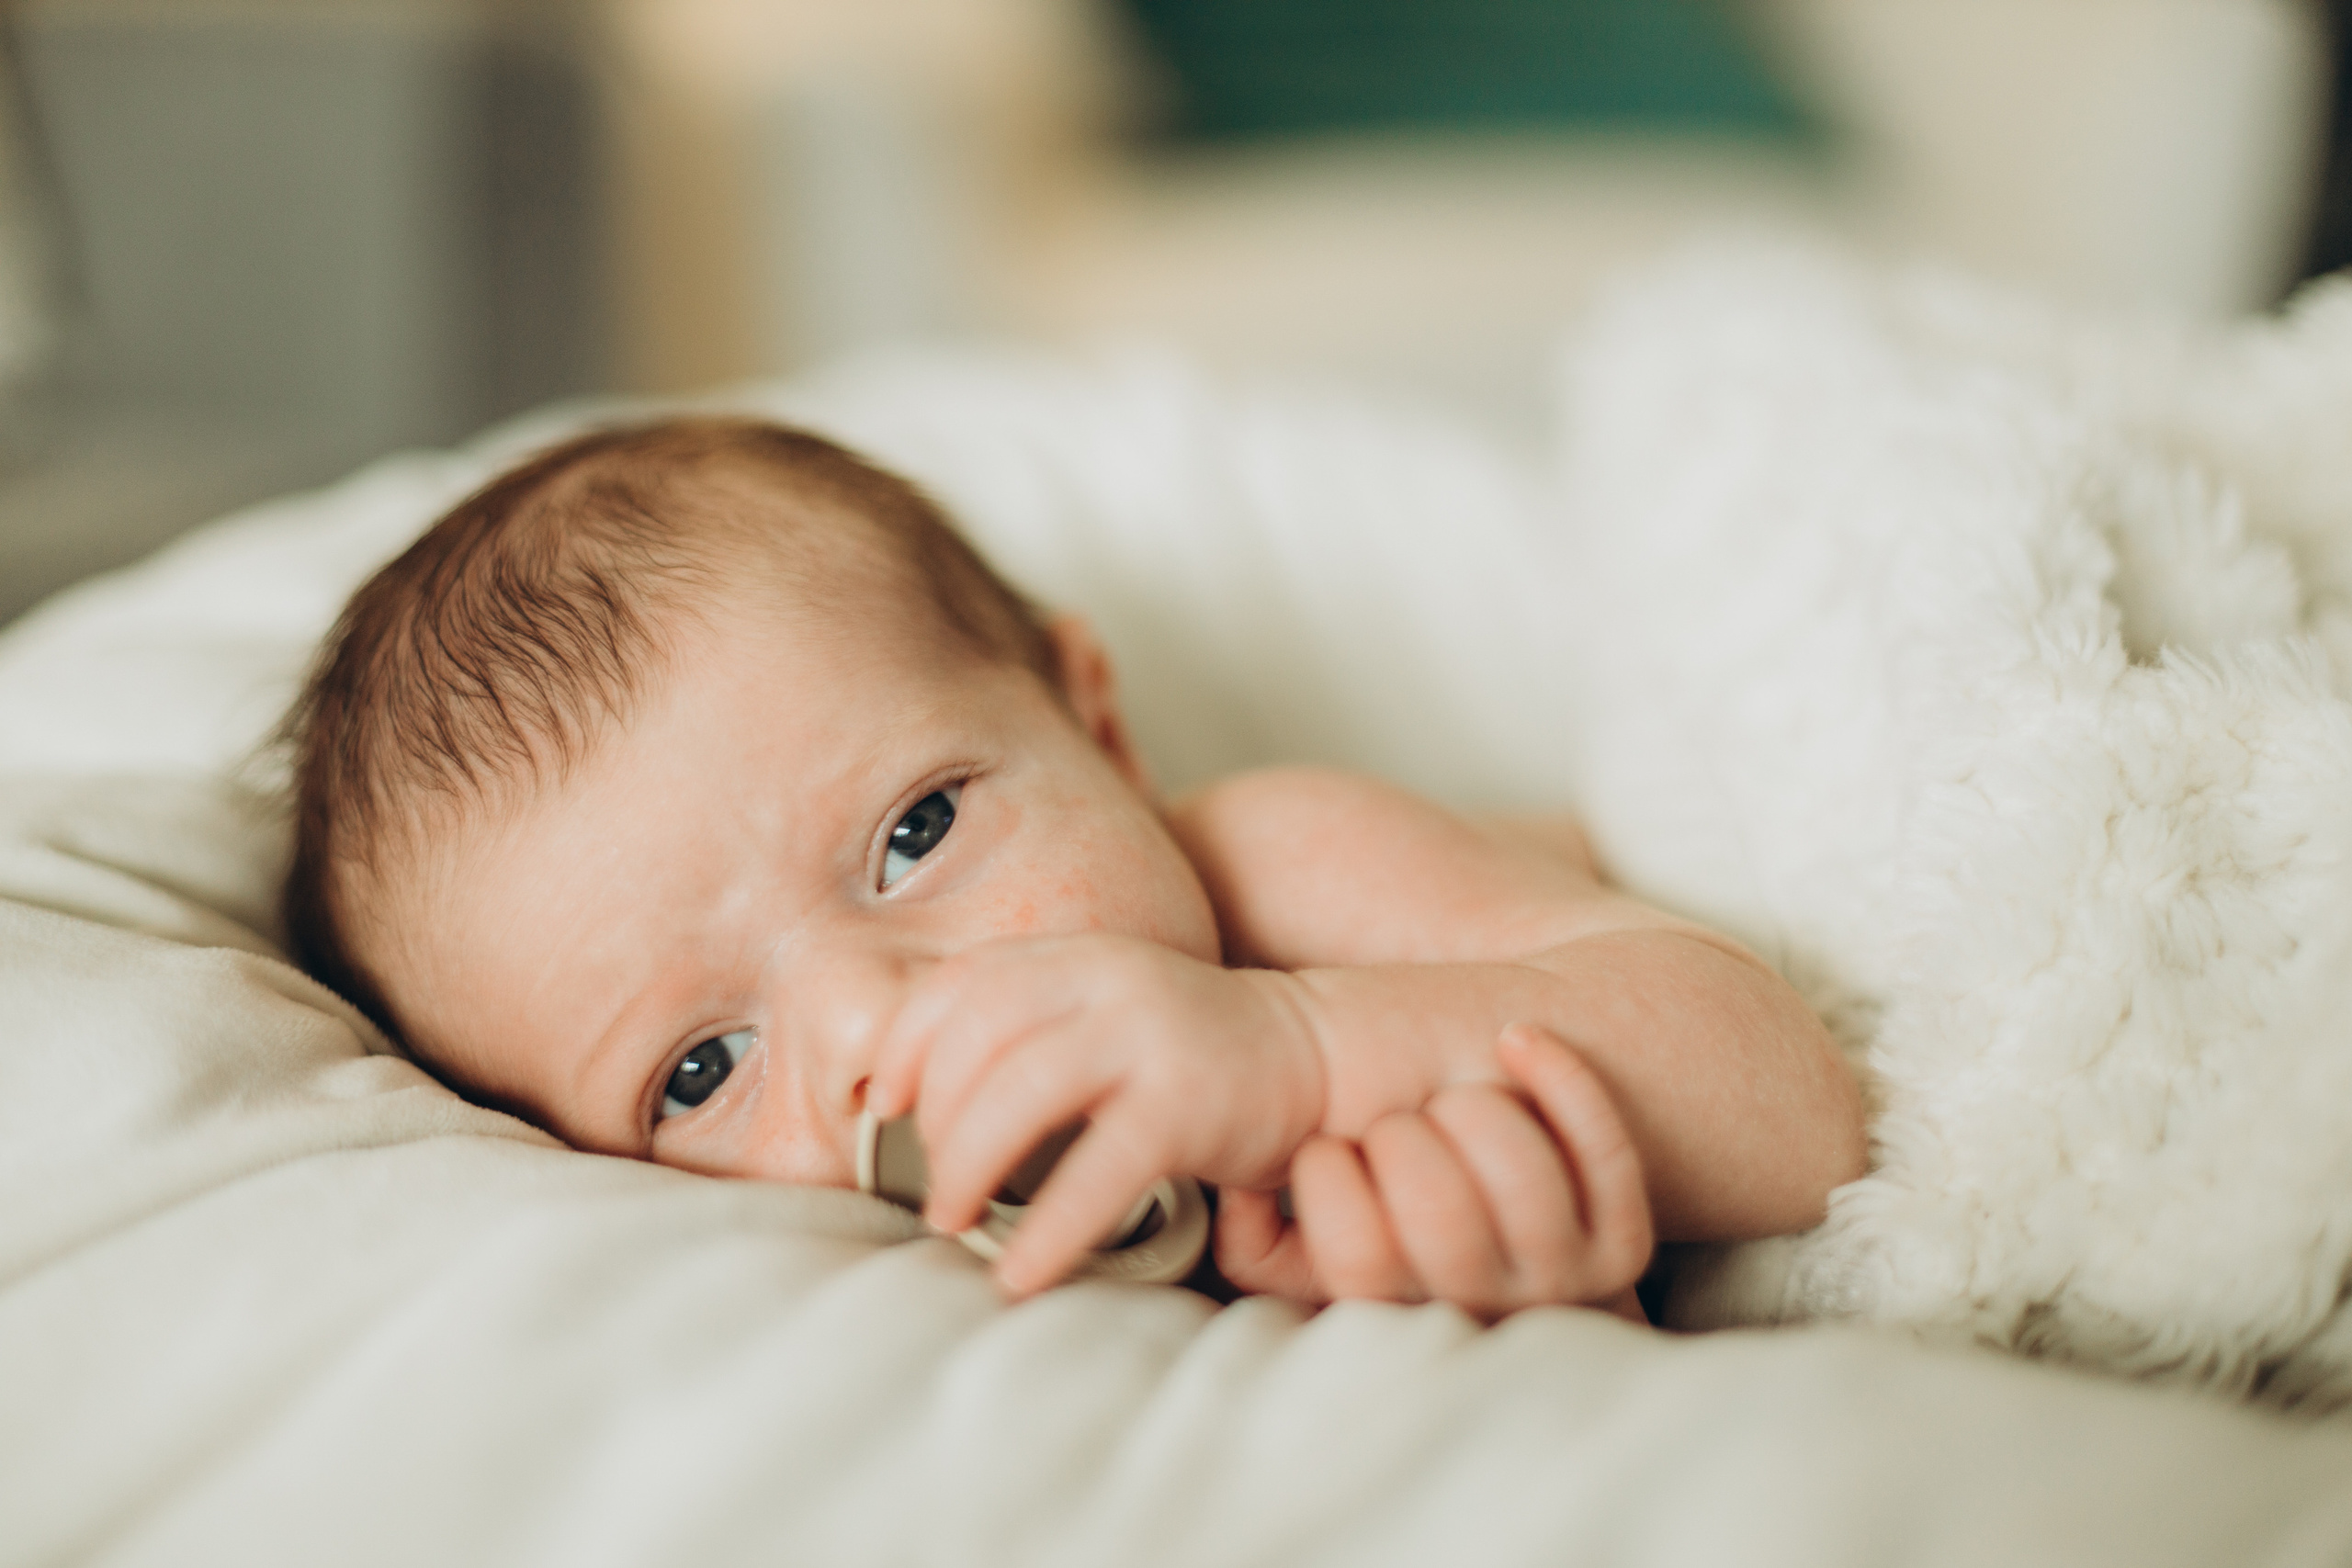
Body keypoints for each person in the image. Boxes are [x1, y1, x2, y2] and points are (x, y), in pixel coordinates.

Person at [282, 417, 1864, 1320]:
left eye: (918, 835)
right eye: (699, 1072)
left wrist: (1309, 1050)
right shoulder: (847, 1328)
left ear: (1099, 731)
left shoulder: (1280, 875)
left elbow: (1797, 1102)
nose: (870, 1032)